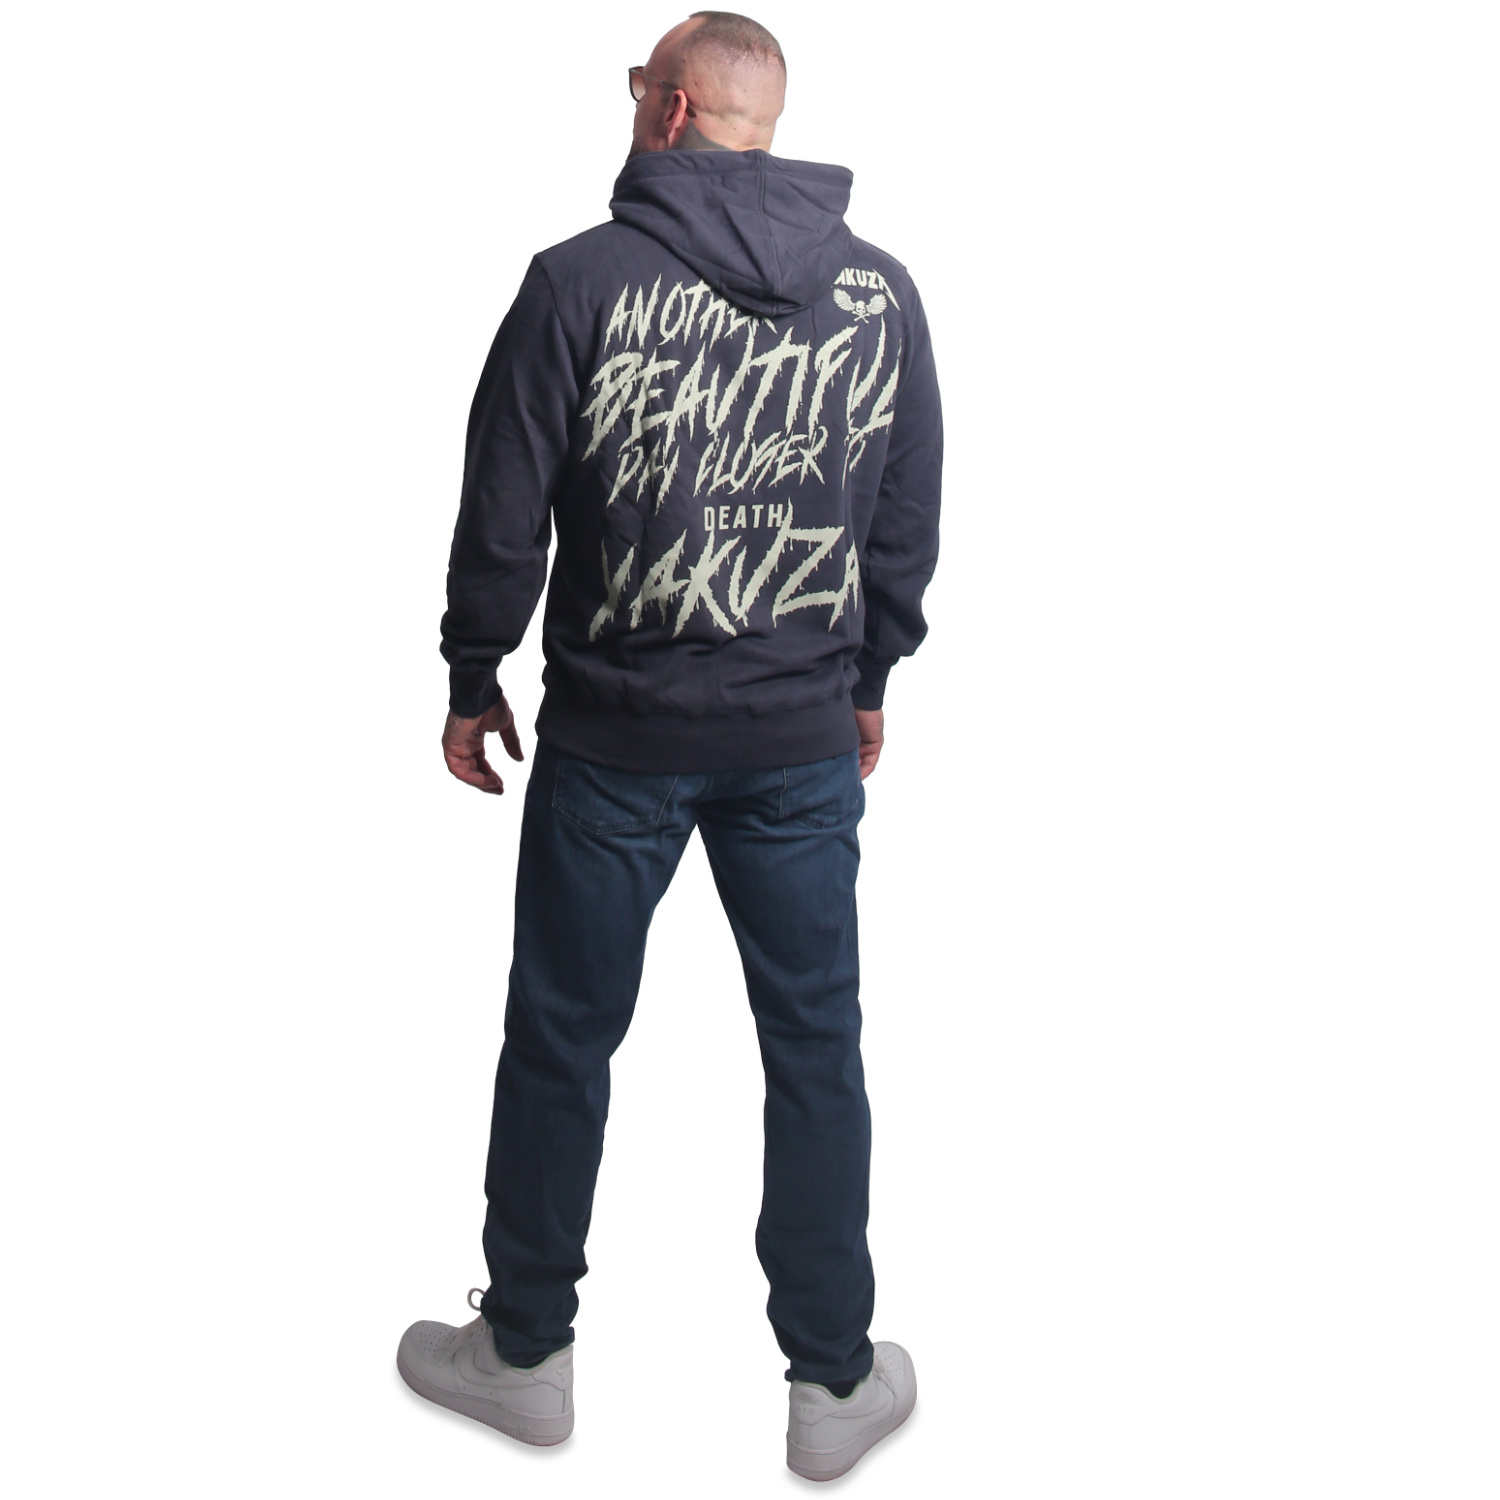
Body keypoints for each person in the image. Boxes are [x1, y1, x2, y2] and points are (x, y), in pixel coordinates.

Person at [397, 11, 942, 1481]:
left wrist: (472, 671)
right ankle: (835, 1383)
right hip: (799, 738)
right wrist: (870, 675)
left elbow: (504, 505)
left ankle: (523, 1354)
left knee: (561, 1039)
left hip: (614, 741)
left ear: (675, 110)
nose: (632, 103)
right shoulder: (881, 295)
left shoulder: (577, 281)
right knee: (816, 1047)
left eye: (640, 85)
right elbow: (905, 515)